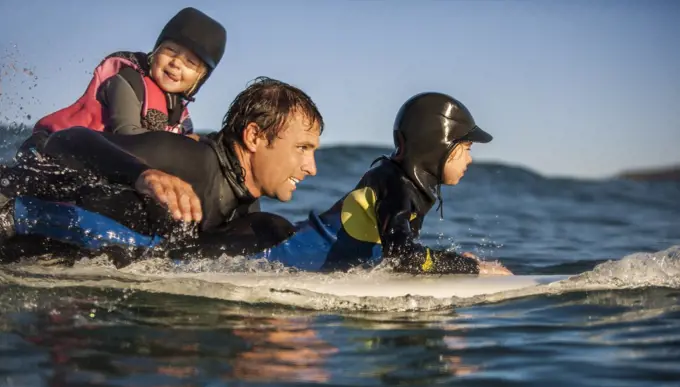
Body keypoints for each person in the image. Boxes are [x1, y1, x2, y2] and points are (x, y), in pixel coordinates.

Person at [0, 77, 323, 263]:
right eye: (302, 148)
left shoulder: (245, 210)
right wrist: (142, 174)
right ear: (254, 136)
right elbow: (66, 140)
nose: (311, 168)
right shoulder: (186, 158)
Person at [253, 91, 512, 275]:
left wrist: (454, 263)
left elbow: (398, 254)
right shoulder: (397, 186)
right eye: (465, 148)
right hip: (268, 258)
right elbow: (403, 257)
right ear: (437, 146)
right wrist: (471, 268)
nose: (469, 159)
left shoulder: (402, 182)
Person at [18, 7, 227, 155]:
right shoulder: (128, 81)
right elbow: (127, 134)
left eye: (190, 63)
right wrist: (183, 145)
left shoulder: (181, 118)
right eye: (171, 51)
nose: (176, 64)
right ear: (155, 51)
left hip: (98, 163)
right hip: (49, 150)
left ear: (200, 79)